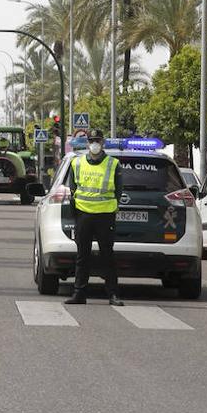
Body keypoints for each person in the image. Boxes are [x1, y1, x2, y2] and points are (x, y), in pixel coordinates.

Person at [65, 129, 124, 307]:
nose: (95, 144)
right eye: (92, 140)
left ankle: (113, 294)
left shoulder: (113, 164)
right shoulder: (77, 163)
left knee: (108, 256)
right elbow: (73, 188)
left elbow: (118, 191)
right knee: (82, 256)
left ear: (103, 142)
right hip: (83, 214)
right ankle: (79, 294)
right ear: (88, 143)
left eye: (97, 140)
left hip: (105, 216)